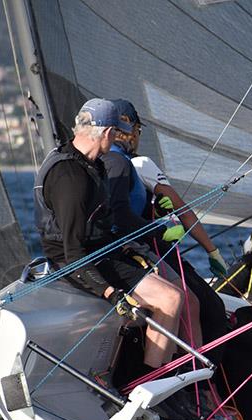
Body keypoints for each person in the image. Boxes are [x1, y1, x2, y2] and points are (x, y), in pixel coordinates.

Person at [34, 98, 184, 369]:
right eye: (115, 131)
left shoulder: (92, 164)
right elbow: (73, 252)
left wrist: (135, 251)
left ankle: (147, 373)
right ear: (105, 132)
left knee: (170, 290)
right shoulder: (70, 178)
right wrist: (110, 293)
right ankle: (149, 382)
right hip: (76, 260)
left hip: (98, 251)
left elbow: (103, 225)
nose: (117, 137)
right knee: (170, 299)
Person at [103, 99, 228, 359]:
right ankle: (193, 377)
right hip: (150, 249)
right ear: (131, 130)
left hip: (117, 252)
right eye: (138, 130)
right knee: (204, 306)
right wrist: (212, 250)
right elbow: (182, 210)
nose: (138, 137)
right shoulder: (138, 164)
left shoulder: (97, 161)